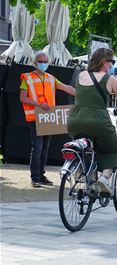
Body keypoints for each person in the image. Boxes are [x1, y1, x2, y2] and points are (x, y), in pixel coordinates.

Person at [67, 48, 117, 193]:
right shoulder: (109, 79)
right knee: (115, 149)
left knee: (87, 149)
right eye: (112, 62)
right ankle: (104, 178)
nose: (112, 65)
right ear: (104, 62)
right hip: (97, 121)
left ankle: (88, 180)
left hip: (74, 120)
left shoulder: (81, 75)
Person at [19, 52, 76, 187]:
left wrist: (81, 93)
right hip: (35, 117)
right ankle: (35, 177)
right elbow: (23, 98)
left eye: (45, 61)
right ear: (35, 63)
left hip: (48, 118)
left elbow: (65, 87)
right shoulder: (27, 78)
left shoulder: (51, 78)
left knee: (44, 149)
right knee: (37, 148)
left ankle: (41, 175)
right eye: (40, 61)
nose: (43, 63)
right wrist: (39, 104)